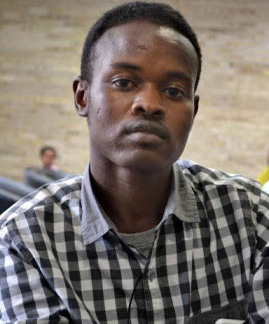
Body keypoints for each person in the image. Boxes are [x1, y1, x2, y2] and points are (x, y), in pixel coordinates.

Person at [0, 2, 268, 324]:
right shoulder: (25, 239)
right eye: (124, 83)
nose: (150, 104)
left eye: (174, 90)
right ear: (82, 97)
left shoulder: (252, 218)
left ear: (193, 110)